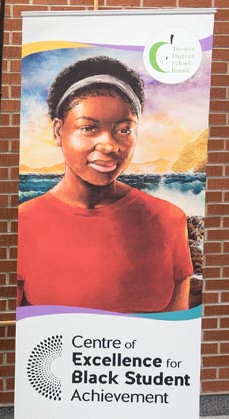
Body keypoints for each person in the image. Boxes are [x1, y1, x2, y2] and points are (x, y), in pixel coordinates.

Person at [17, 55, 193, 313]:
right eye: (88, 128)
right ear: (58, 131)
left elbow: (176, 333)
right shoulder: (25, 223)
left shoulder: (168, 221)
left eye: (123, 130)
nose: (109, 145)